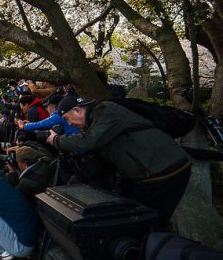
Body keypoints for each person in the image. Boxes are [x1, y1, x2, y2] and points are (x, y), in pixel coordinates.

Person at [46, 95, 192, 227]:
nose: (69, 124)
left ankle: (158, 249)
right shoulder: (95, 123)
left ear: (78, 110)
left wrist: (56, 140)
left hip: (164, 171)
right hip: (149, 174)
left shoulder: (105, 110)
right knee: (134, 219)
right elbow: (98, 159)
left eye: (67, 118)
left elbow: (89, 141)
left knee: (146, 222)